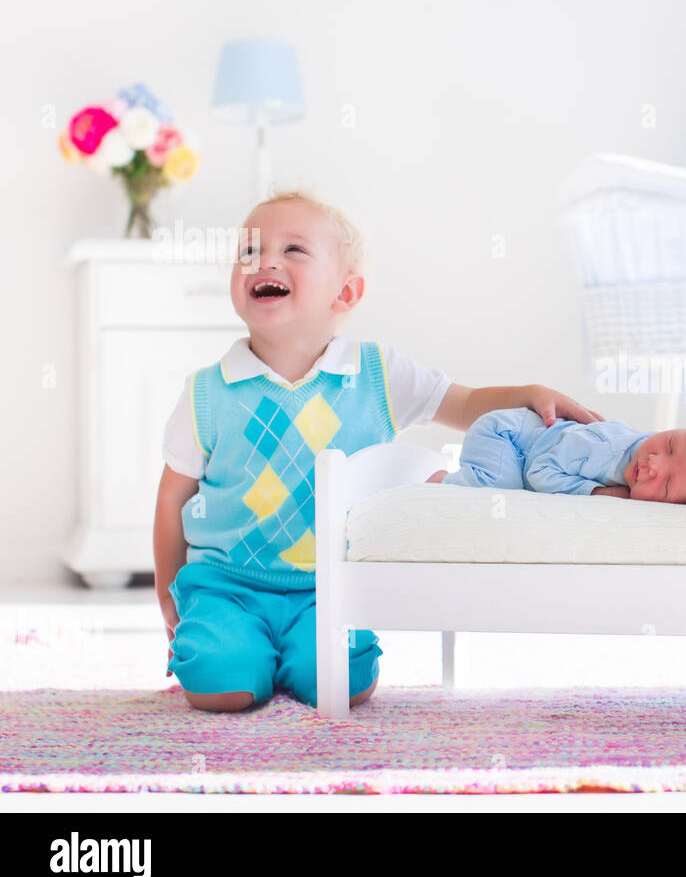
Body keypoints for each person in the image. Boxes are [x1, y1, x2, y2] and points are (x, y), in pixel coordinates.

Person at [154, 189, 602, 712]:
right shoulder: (207, 392)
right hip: (225, 583)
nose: (265, 261)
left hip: (333, 589)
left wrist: (527, 394)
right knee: (221, 689)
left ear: (345, 293)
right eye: (249, 251)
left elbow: (463, 404)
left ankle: (281, 656)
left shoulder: (377, 374)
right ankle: (237, 648)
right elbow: (171, 500)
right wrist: (168, 595)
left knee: (340, 685)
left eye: (293, 250)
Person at [428, 408, 686, 518]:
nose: (654, 465)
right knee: (500, 488)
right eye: (669, 445)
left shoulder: (649, 463)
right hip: (507, 436)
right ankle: (444, 481)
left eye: (666, 485)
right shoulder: (602, 450)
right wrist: (593, 492)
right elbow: (538, 472)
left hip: (521, 441)